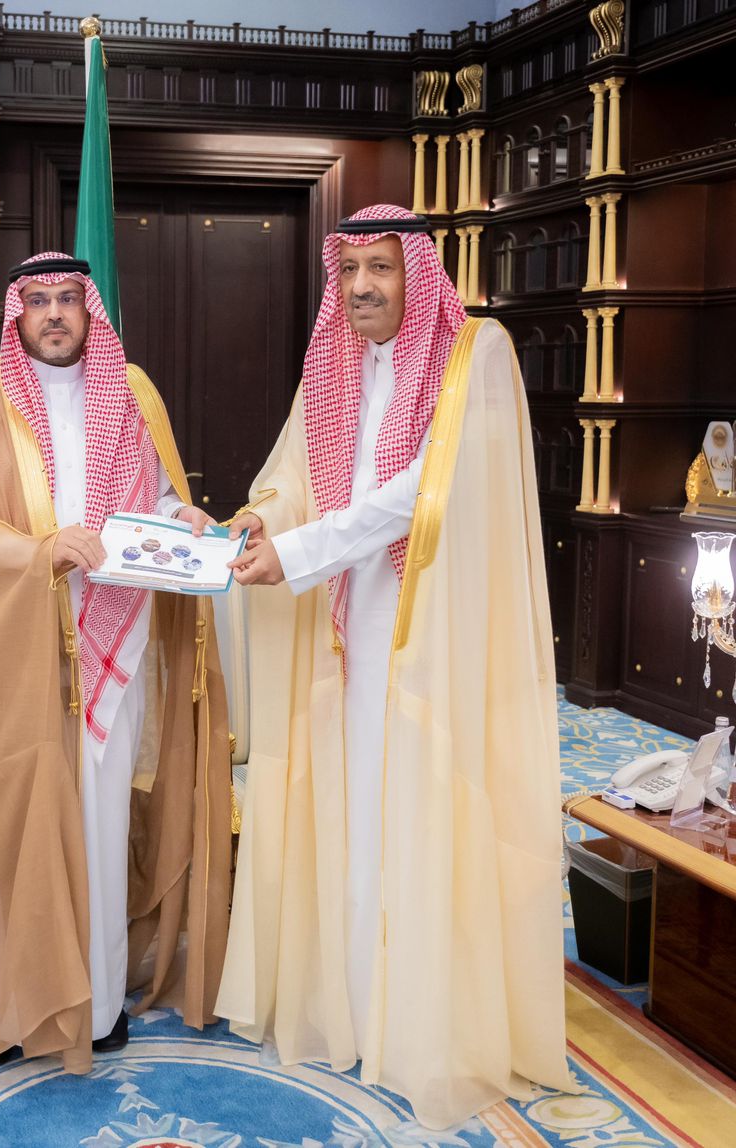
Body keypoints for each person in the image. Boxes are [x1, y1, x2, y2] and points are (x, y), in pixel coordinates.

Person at [216, 204, 575, 1128]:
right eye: (349, 270)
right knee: (352, 813)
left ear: (418, 273)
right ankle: (352, 1006)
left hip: (431, 634)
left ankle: (420, 1024)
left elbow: (423, 495)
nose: (362, 286)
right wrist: (262, 518)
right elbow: (297, 473)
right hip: (339, 630)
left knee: (419, 811)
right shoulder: (334, 362)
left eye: (380, 267)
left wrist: (300, 551)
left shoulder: (474, 356)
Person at [0, 251, 234, 1073]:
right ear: (17, 313)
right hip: (14, 646)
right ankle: (5, 1010)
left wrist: (182, 518)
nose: (55, 313)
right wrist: (38, 553)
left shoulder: (132, 392)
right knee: (13, 823)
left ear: (90, 310)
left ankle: (93, 1007)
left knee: (96, 822)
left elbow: (152, 497)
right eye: (39, 301)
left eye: (69, 299)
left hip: (115, 640)